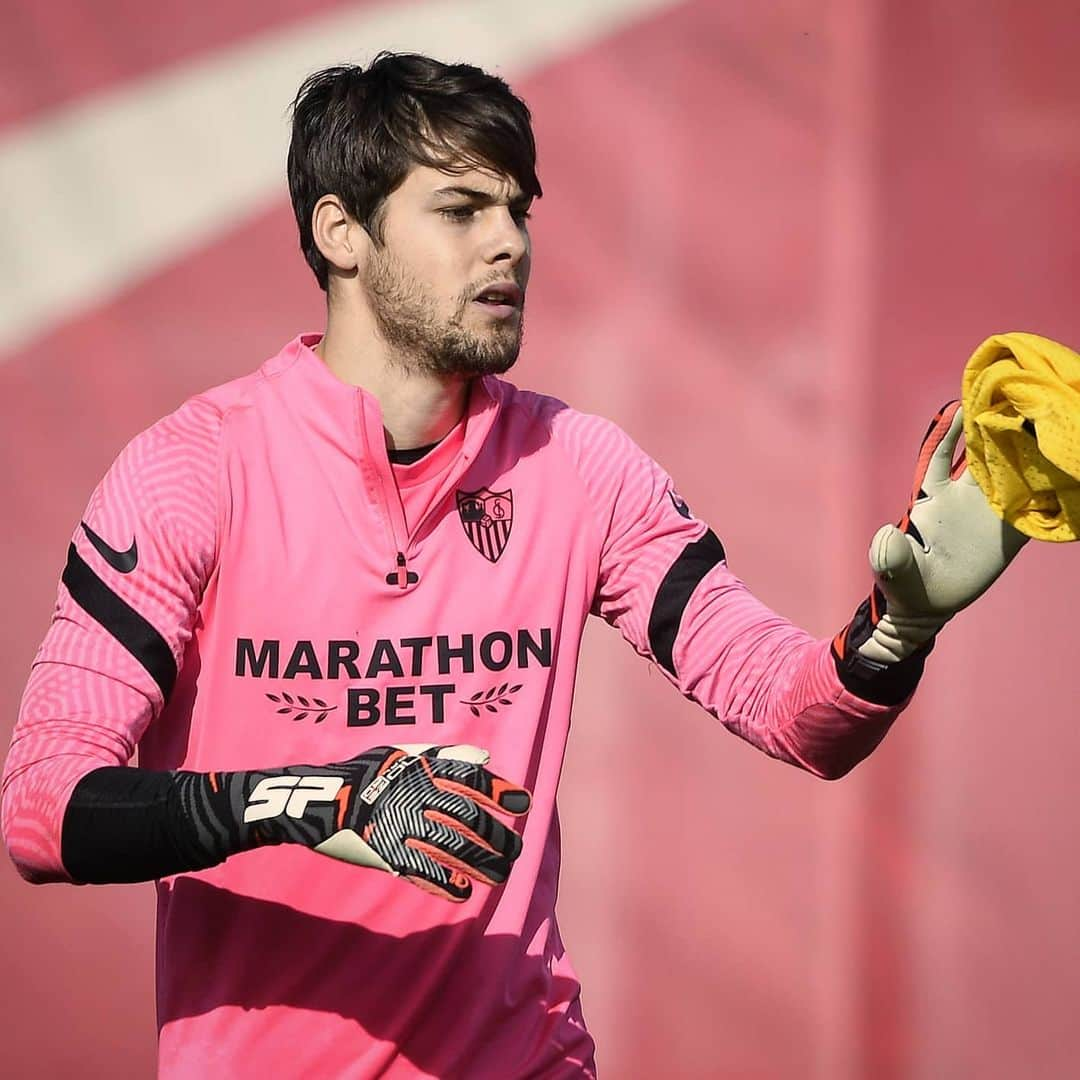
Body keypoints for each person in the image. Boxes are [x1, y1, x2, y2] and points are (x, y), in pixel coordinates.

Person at [0, 52, 1025, 1079]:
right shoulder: (190, 472)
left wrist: (901, 629)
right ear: (339, 233)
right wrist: (321, 799)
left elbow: (791, 712)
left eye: (518, 209)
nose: (510, 243)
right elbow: (43, 808)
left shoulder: (578, 466)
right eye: (460, 209)